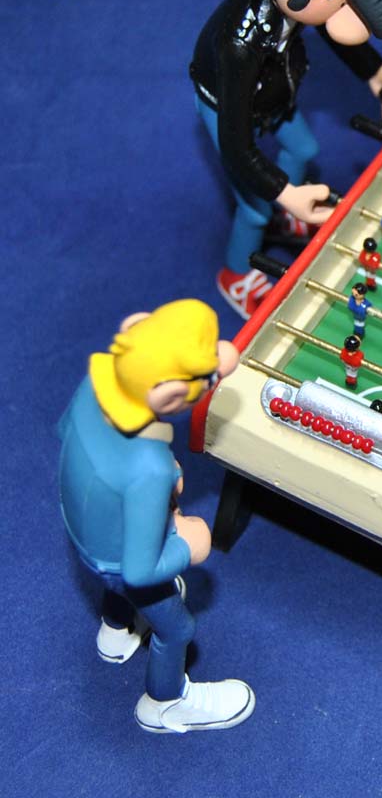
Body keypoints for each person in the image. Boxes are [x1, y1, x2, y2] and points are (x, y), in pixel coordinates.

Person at [191, 0, 382, 317]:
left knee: (303, 148)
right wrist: (282, 192)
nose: (343, 11)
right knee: (255, 209)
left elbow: (331, 27)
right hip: (225, 106)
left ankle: (283, 218)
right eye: (337, 0)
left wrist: (377, 74)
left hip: (274, 92)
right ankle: (236, 274)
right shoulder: (239, 45)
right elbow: (235, 146)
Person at [58, 300, 254, 733]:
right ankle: (165, 703)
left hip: (85, 528)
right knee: (178, 627)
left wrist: (148, 479)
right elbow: (139, 570)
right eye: (207, 376)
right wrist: (187, 544)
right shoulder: (149, 469)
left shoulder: (95, 384)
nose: (222, 362)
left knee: (122, 588)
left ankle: (116, 631)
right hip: (119, 559)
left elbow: (73, 440)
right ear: (169, 396)